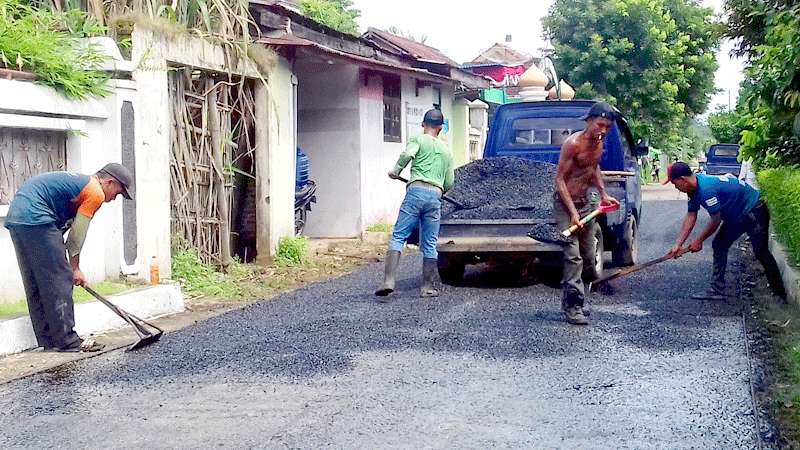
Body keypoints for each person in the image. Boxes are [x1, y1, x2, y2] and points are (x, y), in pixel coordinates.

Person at [5, 164, 134, 352]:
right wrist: (74, 269)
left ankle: (49, 340)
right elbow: (76, 238)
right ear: (109, 182)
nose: (114, 198)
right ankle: (68, 341)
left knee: (37, 282)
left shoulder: (79, 184)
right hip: (37, 217)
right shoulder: (95, 192)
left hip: (18, 218)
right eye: (118, 192)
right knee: (60, 278)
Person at [665, 161, 786, 301]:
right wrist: (678, 244)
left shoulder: (706, 190)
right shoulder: (693, 189)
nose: (676, 188)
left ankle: (780, 294)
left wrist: (699, 240)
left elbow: (716, 220)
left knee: (761, 251)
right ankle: (717, 289)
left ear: (683, 180)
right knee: (719, 245)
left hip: (754, 210)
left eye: (675, 184)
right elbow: (691, 215)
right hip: (737, 215)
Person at [375, 109, 454, 298]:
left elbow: (407, 155)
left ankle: (388, 282)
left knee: (399, 236)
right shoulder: (446, 151)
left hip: (416, 191)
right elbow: (449, 182)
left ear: (423, 125)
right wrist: (439, 189)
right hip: (435, 196)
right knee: (430, 242)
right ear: (441, 128)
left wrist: (396, 171)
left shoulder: (418, 140)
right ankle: (427, 287)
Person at [554, 102, 620, 325]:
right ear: (589, 121)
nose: (603, 130)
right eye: (600, 125)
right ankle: (573, 307)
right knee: (573, 257)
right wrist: (573, 213)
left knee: (589, 256)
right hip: (565, 205)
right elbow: (560, 180)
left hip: (586, 204)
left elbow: (593, 168)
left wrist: (603, 193)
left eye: (608, 127)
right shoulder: (572, 144)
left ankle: (577, 301)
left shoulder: (599, 144)